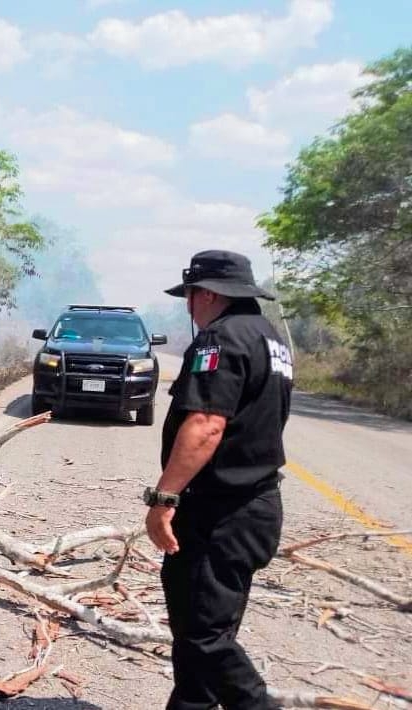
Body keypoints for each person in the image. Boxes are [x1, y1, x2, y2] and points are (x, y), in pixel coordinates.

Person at [143, 250, 293, 710]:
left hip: (220, 514)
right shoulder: (270, 339)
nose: (189, 307)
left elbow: (207, 422)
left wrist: (164, 498)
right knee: (203, 630)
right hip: (253, 508)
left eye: (190, 297)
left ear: (207, 293)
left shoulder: (221, 339)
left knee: (205, 638)